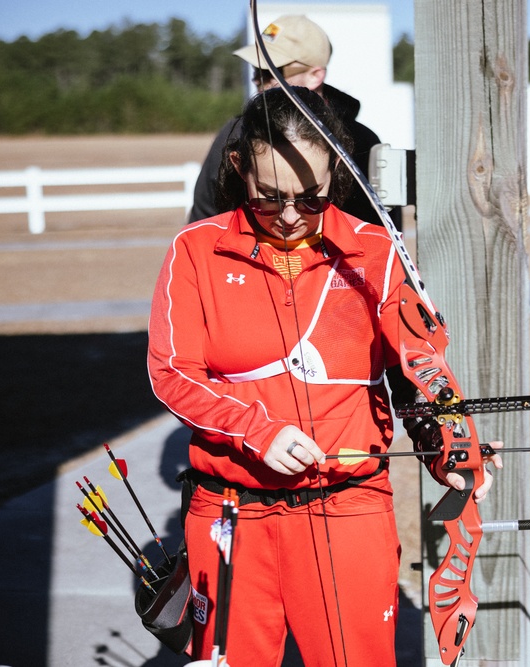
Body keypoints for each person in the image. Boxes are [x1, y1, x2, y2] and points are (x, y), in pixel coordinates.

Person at [148, 87, 500, 667]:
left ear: (336, 169)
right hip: (232, 514)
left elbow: (419, 373)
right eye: (268, 198)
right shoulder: (196, 251)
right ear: (239, 170)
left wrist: (451, 449)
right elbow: (171, 373)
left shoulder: (375, 251)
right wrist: (254, 430)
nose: (289, 216)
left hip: (345, 507)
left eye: (309, 199)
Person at [188, 14, 401, 229]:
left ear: (315, 75)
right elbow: (204, 222)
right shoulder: (235, 133)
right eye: (256, 71)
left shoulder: (362, 142)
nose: (258, 81)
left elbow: (383, 235)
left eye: (271, 72)